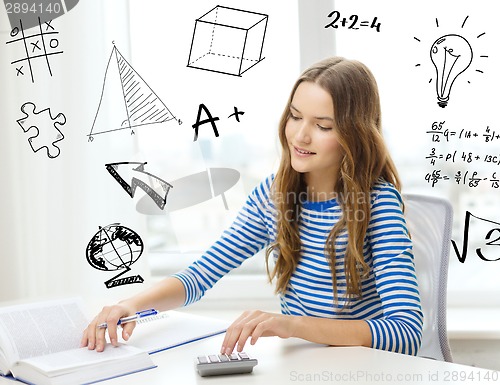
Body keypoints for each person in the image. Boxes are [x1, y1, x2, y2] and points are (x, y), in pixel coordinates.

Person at [81, 56, 423, 356]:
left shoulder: (378, 205)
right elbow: (201, 275)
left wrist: (292, 325)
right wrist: (132, 305)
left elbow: (406, 334)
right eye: (295, 116)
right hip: (301, 363)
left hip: (361, 370)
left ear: (355, 134)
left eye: (323, 126)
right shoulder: (275, 195)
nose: (300, 136)